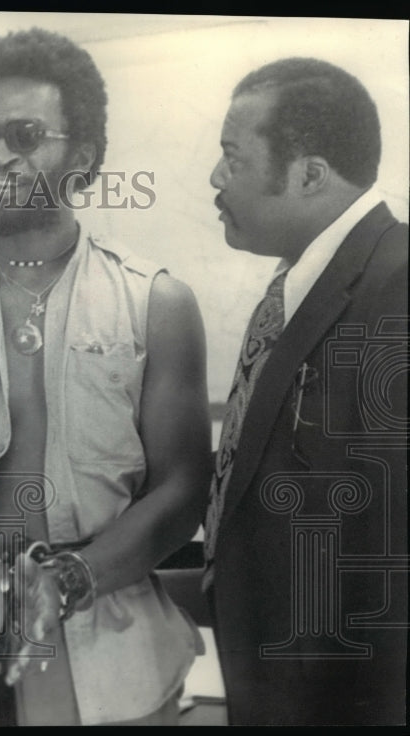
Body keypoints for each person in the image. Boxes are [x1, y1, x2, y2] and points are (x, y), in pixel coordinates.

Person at [0, 28, 211, 726]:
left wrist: (66, 580)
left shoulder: (157, 305)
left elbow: (183, 490)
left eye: (23, 134)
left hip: (113, 648)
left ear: (81, 156)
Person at [204, 57, 408, 725]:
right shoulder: (302, 287)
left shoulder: (398, 287)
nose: (215, 177)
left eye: (233, 157)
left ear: (310, 174)